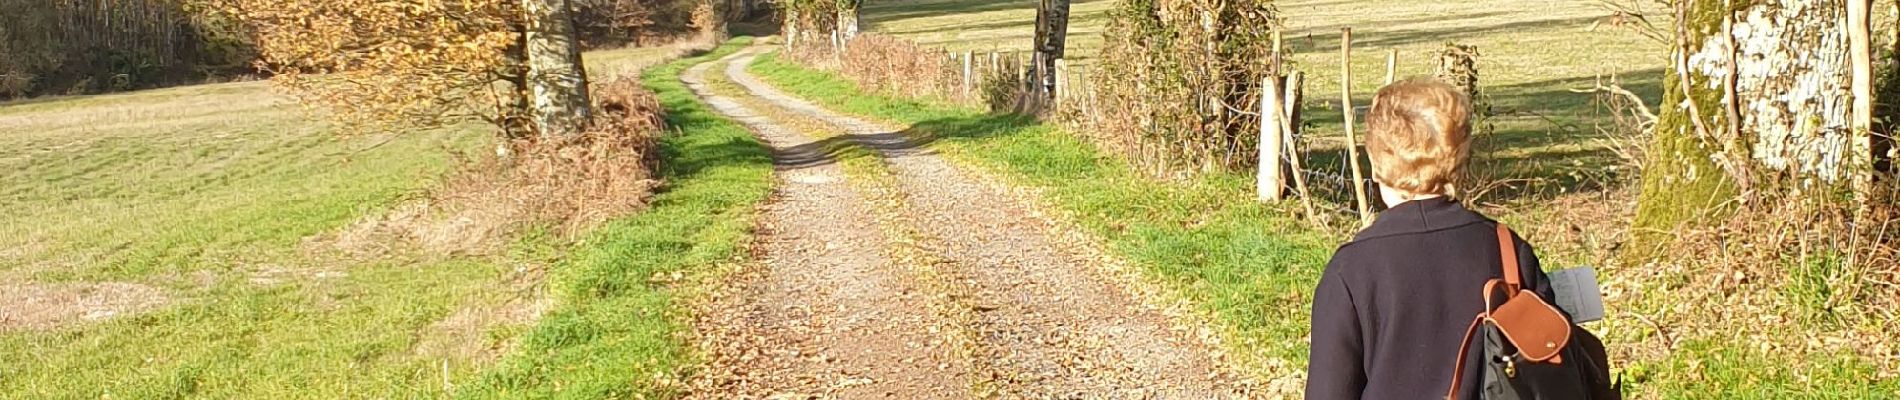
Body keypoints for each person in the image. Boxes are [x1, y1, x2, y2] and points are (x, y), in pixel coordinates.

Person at [1304, 77, 1559, 399]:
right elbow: (1550, 366)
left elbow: (1328, 392)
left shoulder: (1351, 269)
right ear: (1458, 158)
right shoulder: (1508, 248)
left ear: (1376, 164)